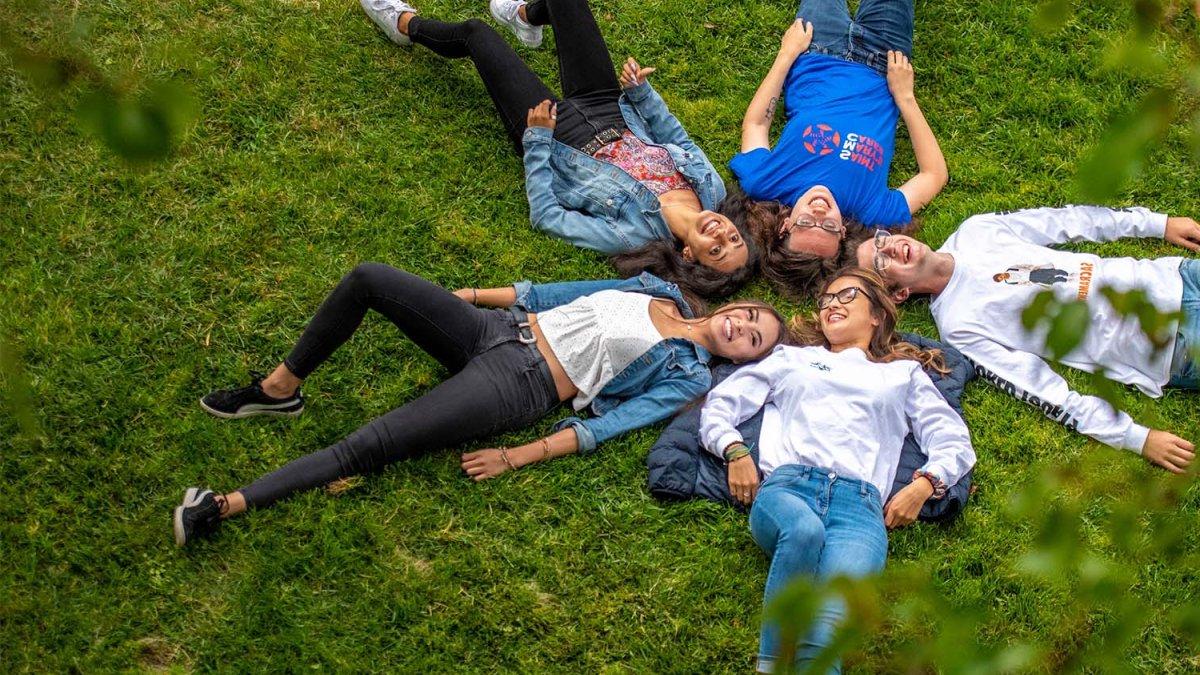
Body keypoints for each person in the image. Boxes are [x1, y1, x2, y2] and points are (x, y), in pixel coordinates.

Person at [174, 264, 786, 546]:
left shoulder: (685, 376)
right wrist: (458, 299)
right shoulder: (655, 287)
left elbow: (612, 425)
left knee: (374, 444)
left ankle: (225, 505)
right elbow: (546, 293)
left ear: (743, 358)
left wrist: (517, 456)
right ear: (733, 307)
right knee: (370, 279)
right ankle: (280, 389)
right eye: (751, 315)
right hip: (495, 329)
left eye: (756, 339)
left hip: (522, 386)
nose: (745, 327)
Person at [356, 0, 758, 299]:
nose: (721, 234)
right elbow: (678, 138)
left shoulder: (631, 236)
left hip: (560, 136)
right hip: (610, 106)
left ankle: (403, 23)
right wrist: (641, 91)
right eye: (734, 239)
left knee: (476, 34)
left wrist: (536, 140)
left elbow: (547, 217)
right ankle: (525, 17)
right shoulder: (713, 192)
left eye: (716, 251)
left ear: (689, 255)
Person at [699, 268, 975, 673]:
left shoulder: (902, 375)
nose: (832, 304)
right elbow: (722, 404)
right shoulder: (792, 359)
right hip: (790, 488)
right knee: (803, 531)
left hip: (860, 511)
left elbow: (951, 439)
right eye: (827, 299)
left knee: (827, 630)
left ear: (877, 315)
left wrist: (925, 485)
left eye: (846, 296)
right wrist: (735, 450)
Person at [855, 205, 1200, 473]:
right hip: (1170, 343)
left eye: (882, 240)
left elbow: (1069, 219)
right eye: (881, 262)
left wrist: (1159, 223)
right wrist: (1135, 437)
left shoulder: (975, 231)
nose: (891, 249)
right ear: (899, 293)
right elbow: (1042, 390)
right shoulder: (959, 326)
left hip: (1173, 276)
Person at [732, 0, 946, 295]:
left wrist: (787, 54)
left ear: (785, 226)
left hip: (816, 49)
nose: (820, 213)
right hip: (886, 60)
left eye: (806, 223)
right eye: (829, 228)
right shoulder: (872, 211)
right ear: (843, 233)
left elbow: (756, 125)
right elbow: (933, 175)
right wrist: (905, 96)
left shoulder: (765, 183)